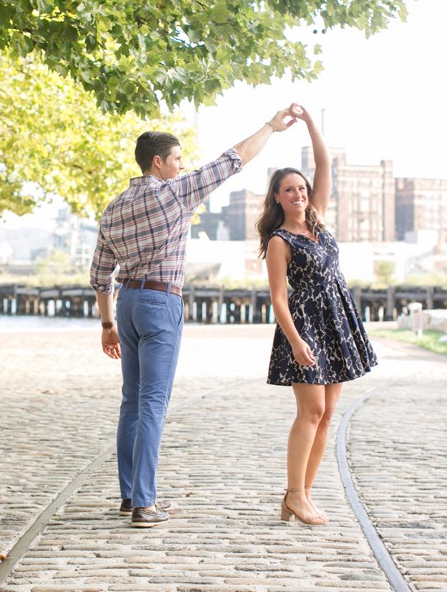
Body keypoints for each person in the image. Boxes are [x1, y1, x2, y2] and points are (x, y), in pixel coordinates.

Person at [90, 107, 297, 528]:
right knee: (151, 403)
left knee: (131, 402)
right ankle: (145, 505)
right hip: (160, 303)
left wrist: (107, 325)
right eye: (178, 159)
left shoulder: (113, 209)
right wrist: (270, 128)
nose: (183, 165)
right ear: (158, 163)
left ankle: (130, 495)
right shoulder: (175, 192)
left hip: (126, 305)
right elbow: (233, 159)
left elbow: (99, 274)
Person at [256, 103, 378, 526]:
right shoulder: (279, 240)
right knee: (309, 412)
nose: (298, 194)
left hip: (337, 321)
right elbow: (277, 298)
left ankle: (303, 494)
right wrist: (294, 340)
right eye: (289, 190)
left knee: (327, 414)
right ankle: (294, 493)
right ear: (277, 197)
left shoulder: (319, 219)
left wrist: (309, 123)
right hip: (305, 328)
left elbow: (324, 164)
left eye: (301, 188)